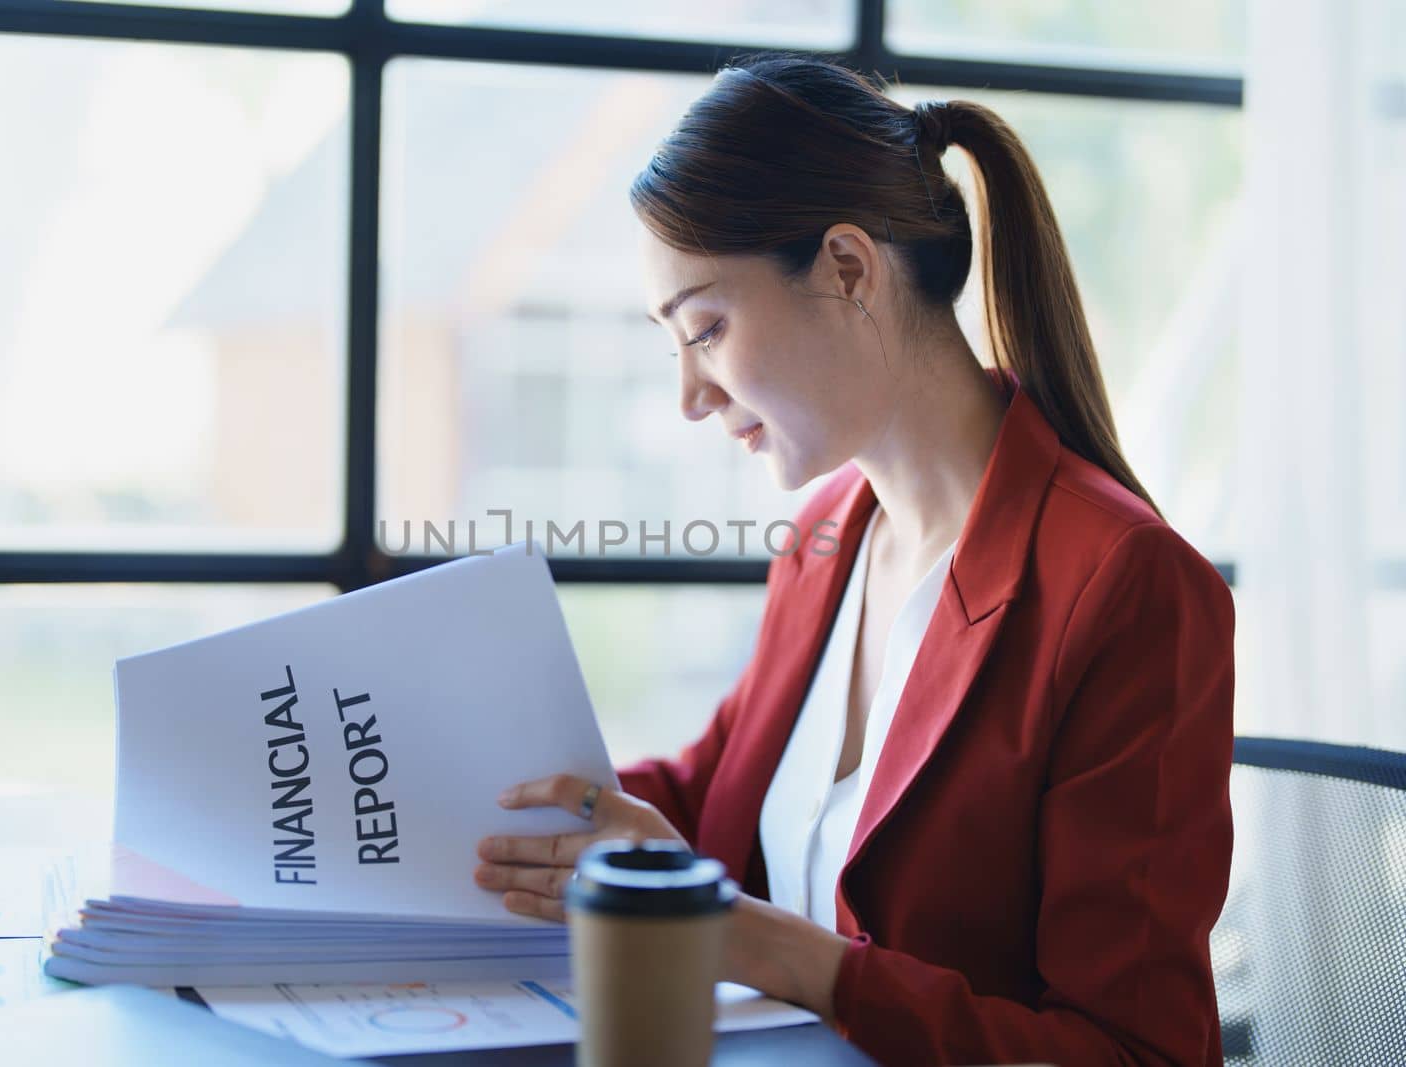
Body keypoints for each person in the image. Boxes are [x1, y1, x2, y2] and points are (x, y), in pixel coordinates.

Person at [472, 53, 1234, 1067]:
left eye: (707, 326)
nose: (690, 397)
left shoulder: (1127, 586)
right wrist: (464, 791)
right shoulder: (831, 534)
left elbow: (1136, 1052)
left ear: (846, 268)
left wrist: (793, 955)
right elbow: (711, 798)